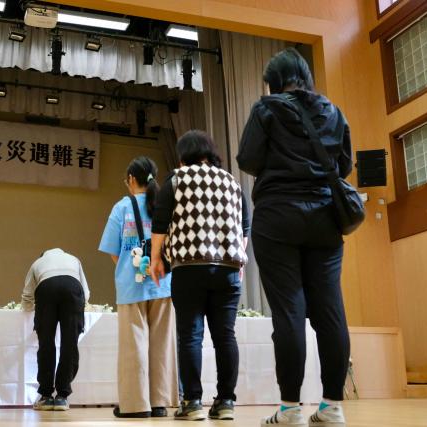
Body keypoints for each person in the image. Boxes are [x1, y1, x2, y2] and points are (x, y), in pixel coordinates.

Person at [236, 47, 351, 426]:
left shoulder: (266, 109)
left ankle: (290, 411)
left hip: (277, 217)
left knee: (290, 312)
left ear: (274, 80)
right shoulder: (332, 112)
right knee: (330, 312)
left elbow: (248, 160)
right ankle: (332, 406)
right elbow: (345, 165)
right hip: (324, 218)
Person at [150, 131, 250, 421]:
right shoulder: (231, 182)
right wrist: (236, 258)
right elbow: (245, 227)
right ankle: (226, 401)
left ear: (183, 155)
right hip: (228, 269)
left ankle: (192, 402)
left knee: (190, 336)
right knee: (225, 336)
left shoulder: (176, 180)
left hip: (189, 267)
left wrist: (156, 258)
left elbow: (160, 223)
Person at [99, 156, 178, 418]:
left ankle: (136, 404)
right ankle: (159, 402)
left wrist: (129, 267)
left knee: (134, 344)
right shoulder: (167, 204)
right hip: (163, 283)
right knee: (162, 344)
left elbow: (112, 251)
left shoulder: (121, 207)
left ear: (131, 180)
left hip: (131, 285)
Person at [21, 248, 90, 411]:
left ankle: (45, 396)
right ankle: (62, 397)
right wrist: (80, 305)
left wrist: (28, 307)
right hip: (73, 289)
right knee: (69, 344)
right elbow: (85, 292)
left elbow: (27, 293)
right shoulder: (74, 258)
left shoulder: (37, 263)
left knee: (46, 344)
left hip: (46, 288)